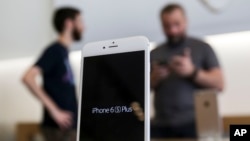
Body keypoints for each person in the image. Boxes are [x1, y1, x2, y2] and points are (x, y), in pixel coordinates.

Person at [150, 4, 224, 138]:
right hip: (160, 125)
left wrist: (192, 72)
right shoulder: (154, 53)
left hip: (195, 124)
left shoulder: (203, 48)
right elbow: (137, 92)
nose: (173, 30)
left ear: (186, 21)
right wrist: (153, 79)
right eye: (167, 25)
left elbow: (220, 84)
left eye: (177, 24)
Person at [22, 7, 84, 141]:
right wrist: (54, 111)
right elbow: (28, 77)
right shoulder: (54, 50)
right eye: (79, 21)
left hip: (68, 126)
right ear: (69, 23)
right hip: (59, 128)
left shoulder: (63, 52)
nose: (83, 26)